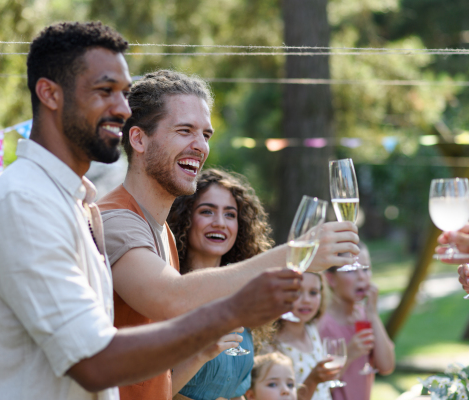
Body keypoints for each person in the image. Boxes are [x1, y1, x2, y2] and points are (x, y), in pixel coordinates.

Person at [0, 21, 304, 400]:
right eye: (105, 91)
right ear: (50, 94)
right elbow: (95, 361)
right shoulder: (23, 203)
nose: (121, 108)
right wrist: (231, 309)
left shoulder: (77, 205)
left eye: (124, 93)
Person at [97, 69, 361, 399]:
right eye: (185, 131)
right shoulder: (117, 218)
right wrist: (297, 254)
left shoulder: (160, 230)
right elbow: (169, 297)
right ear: (138, 139)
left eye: (205, 134)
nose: (200, 146)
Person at [166, 168, 274, 400]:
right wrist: (201, 354)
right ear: (184, 217)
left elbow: (236, 390)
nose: (219, 223)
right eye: (207, 211)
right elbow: (145, 392)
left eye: (230, 214)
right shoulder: (166, 290)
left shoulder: (242, 296)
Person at [318, 244, 395, 400]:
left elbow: (386, 366)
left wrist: (373, 314)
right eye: (351, 270)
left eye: (366, 269)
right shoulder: (321, 325)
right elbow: (318, 387)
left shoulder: (365, 317)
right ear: (331, 279)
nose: (362, 277)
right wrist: (349, 354)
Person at [269, 272, 341, 400]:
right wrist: (313, 380)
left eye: (313, 292)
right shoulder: (273, 345)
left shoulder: (311, 330)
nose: (306, 300)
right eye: (297, 292)